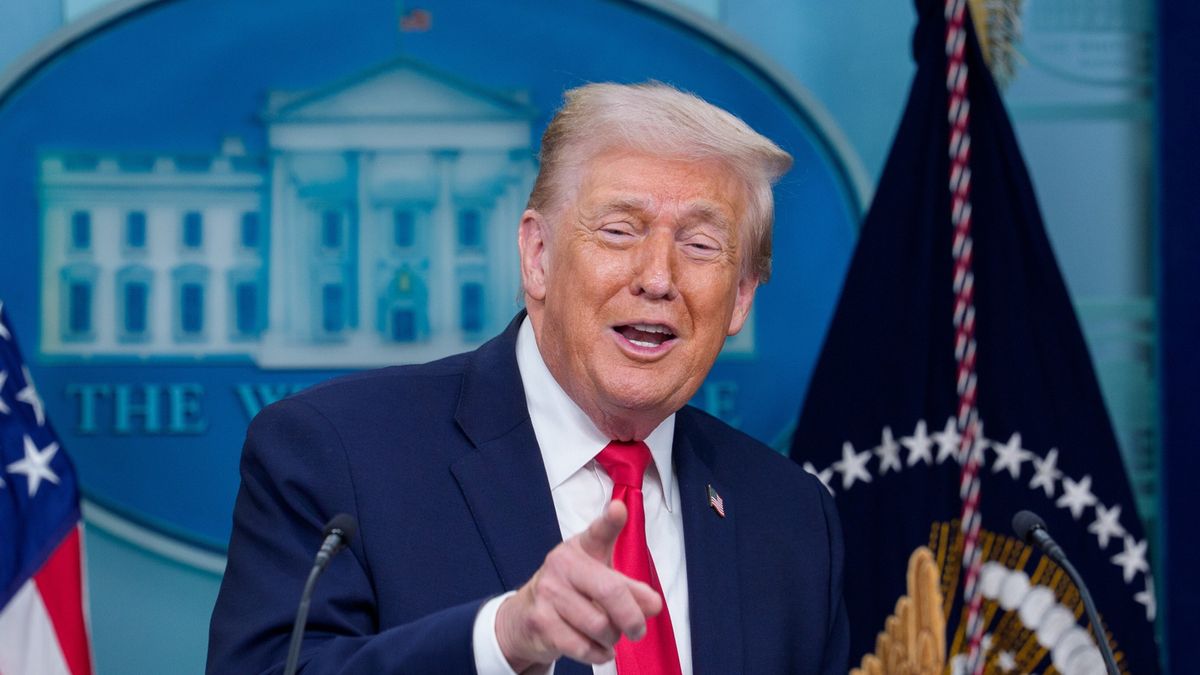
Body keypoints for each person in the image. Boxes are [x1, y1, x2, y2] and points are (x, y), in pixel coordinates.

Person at [207, 82, 848, 675]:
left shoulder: (790, 517)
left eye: (700, 245)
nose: (658, 278)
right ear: (538, 257)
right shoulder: (337, 454)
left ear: (740, 297)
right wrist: (501, 640)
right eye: (620, 231)